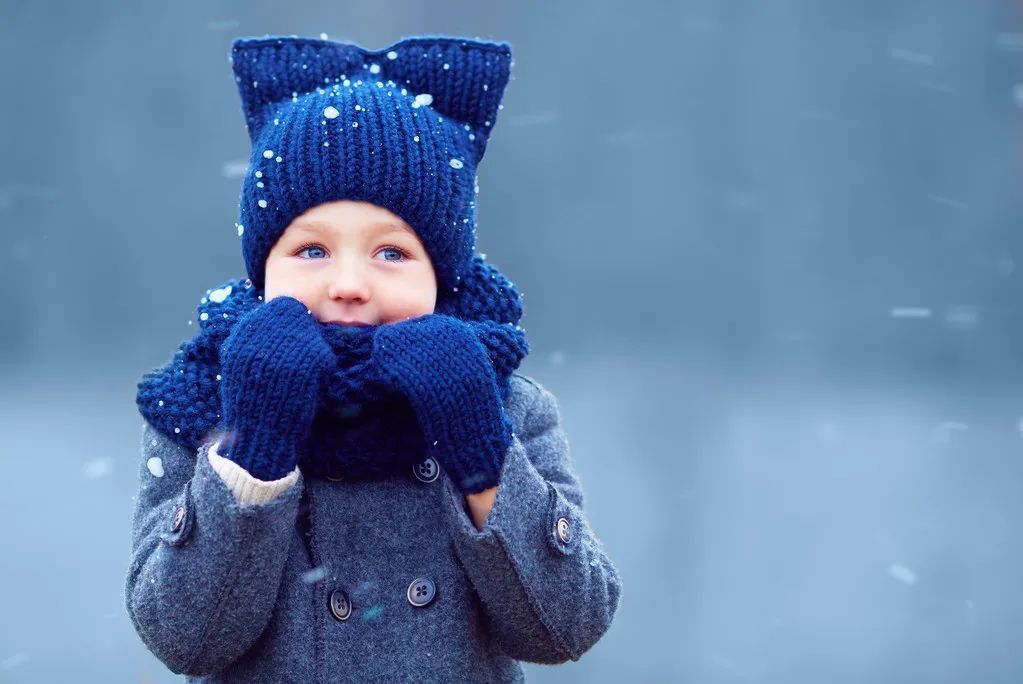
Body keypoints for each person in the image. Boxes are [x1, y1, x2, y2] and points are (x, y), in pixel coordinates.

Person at [125, 34, 622, 682]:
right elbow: (182, 638)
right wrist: (255, 446)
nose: (349, 283)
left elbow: (567, 626)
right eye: (311, 251)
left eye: (391, 253)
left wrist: (476, 445)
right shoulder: (203, 406)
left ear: (439, 274)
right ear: (263, 271)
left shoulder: (506, 404)